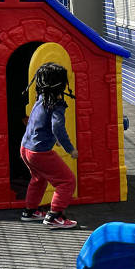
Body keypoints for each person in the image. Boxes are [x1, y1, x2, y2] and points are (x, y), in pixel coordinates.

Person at [19, 63, 80, 229]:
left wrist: (55, 139)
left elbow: (40, 123)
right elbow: (57, 127)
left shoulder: (41, 100)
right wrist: (70, 149)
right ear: (60, 84)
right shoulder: (57, 104)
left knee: (38, 179)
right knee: (67, 181)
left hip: (26, 148)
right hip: (40, 152)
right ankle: (54, 216)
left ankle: (30, 211)